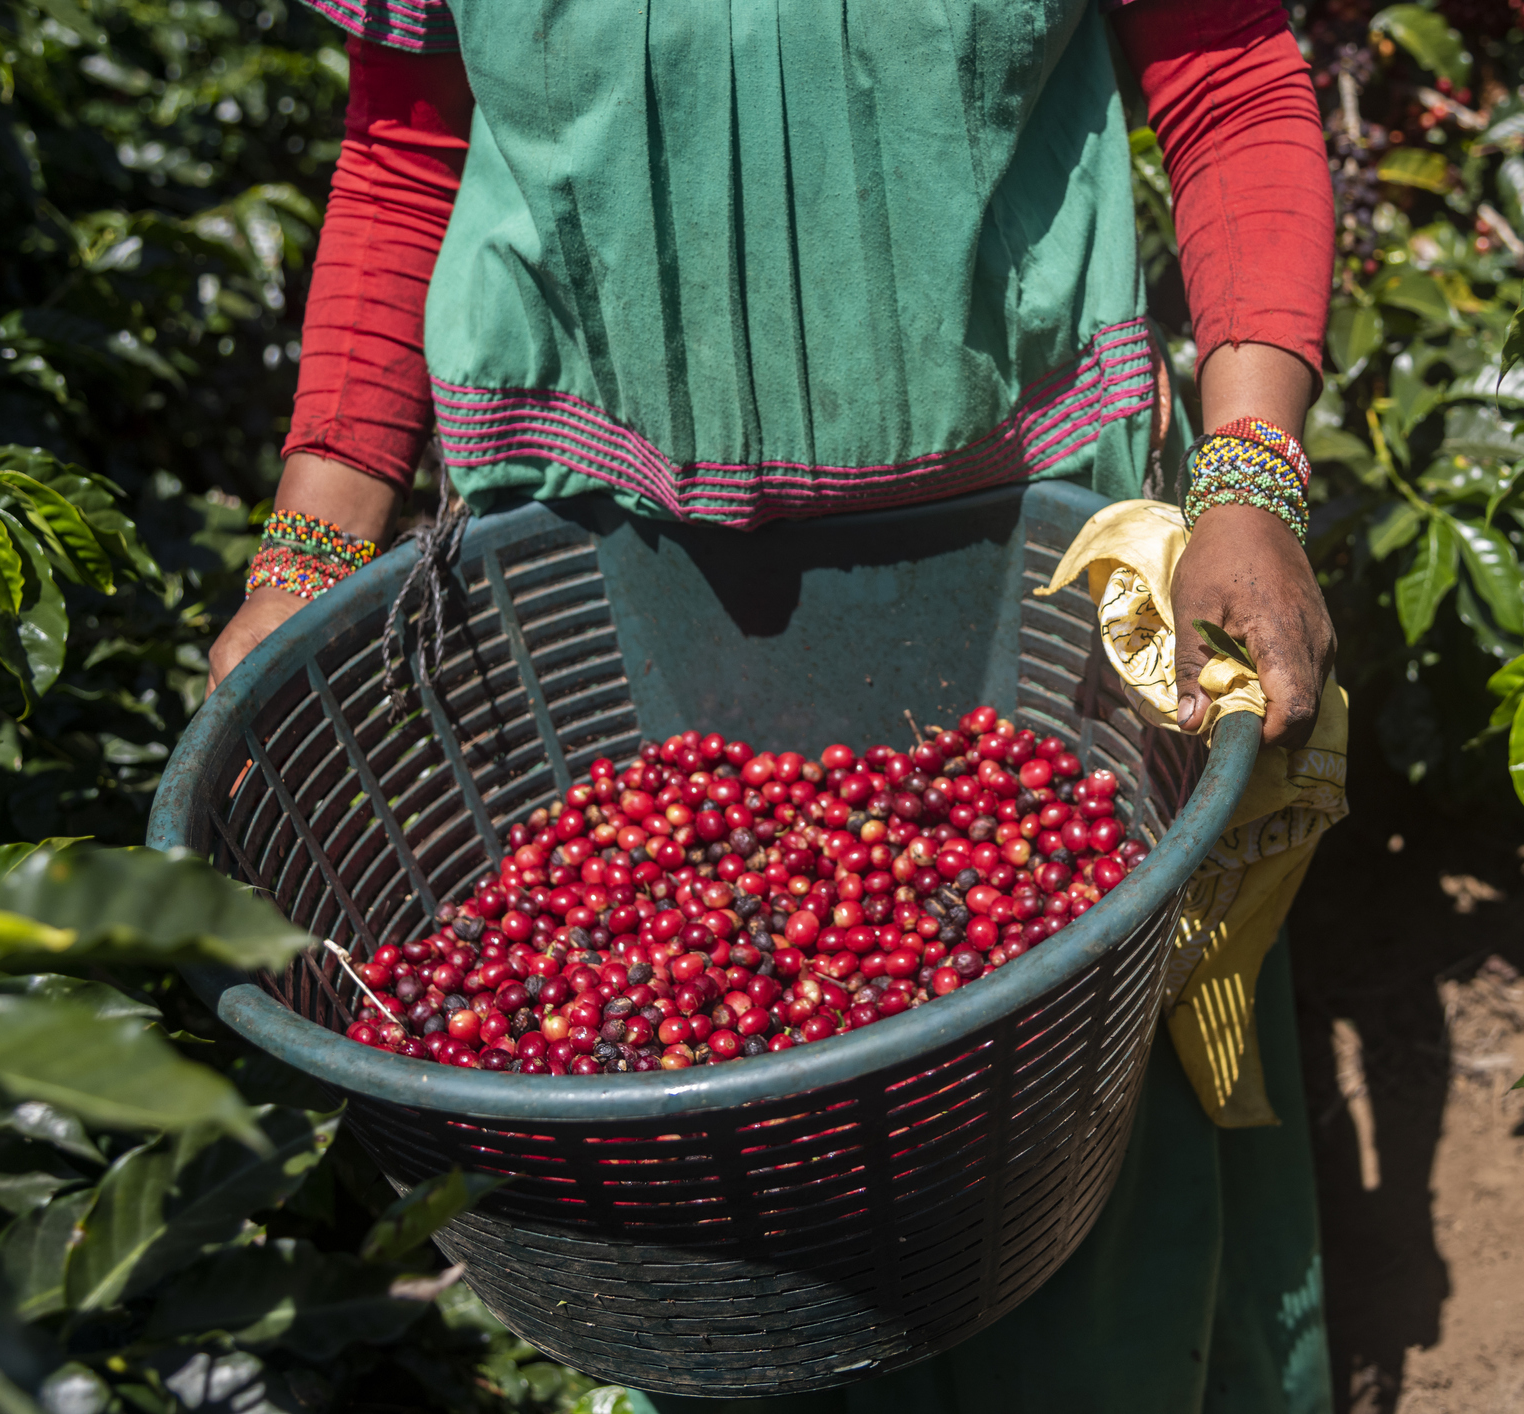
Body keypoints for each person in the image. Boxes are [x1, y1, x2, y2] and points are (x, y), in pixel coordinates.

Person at [211, 1, 1340, 1408]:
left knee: (1069, 1109)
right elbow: (405, 136)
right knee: (706, 1209)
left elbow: (1226, 73)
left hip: (1025, 552)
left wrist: (1247, 475)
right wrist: (305, 549)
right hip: (596, 570)